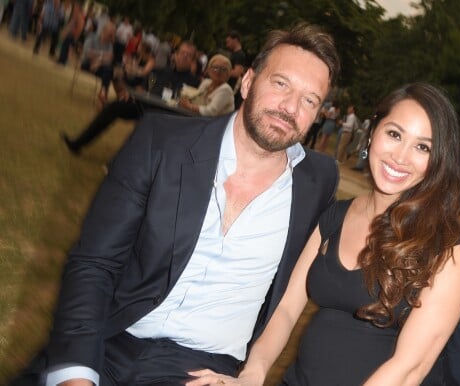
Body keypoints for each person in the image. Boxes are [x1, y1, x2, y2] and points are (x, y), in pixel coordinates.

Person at [12, 22, 340, 386]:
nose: (290, 107)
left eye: (310, 100)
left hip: (202, 370)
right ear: (247, 82)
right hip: (108, 338)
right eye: (281, 84)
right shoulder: (161, 143)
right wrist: (77, 374)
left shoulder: (318, 180)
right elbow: (94, 263)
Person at [188, 82, 460, 386]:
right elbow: (286, 310)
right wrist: (252, 373)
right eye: (394, 134)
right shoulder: (336, 215)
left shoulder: (449, 250)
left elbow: (408, 369)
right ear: (373, 133)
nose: (400, 157)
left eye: (422, 147)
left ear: (438, 161)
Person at [61, 41, 201, 155]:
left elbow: (188, 106)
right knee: (114, 107)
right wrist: (132, 92)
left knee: (146, 128)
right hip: (142, 107)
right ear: (175, 55)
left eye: (189, 55)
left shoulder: (194, 83)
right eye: (182, 53)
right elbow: (144, 86)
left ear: (193, 61)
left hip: (165, 118)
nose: (184, 57)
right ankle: (78, 143)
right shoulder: (160, 71)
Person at [225, 30, 247, 109]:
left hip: (232, 88)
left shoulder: (239, 55)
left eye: (228, 42)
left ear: (235, 40)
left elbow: (237, 73)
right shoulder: (235, 54)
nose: (227, 45)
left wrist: (223, 71)